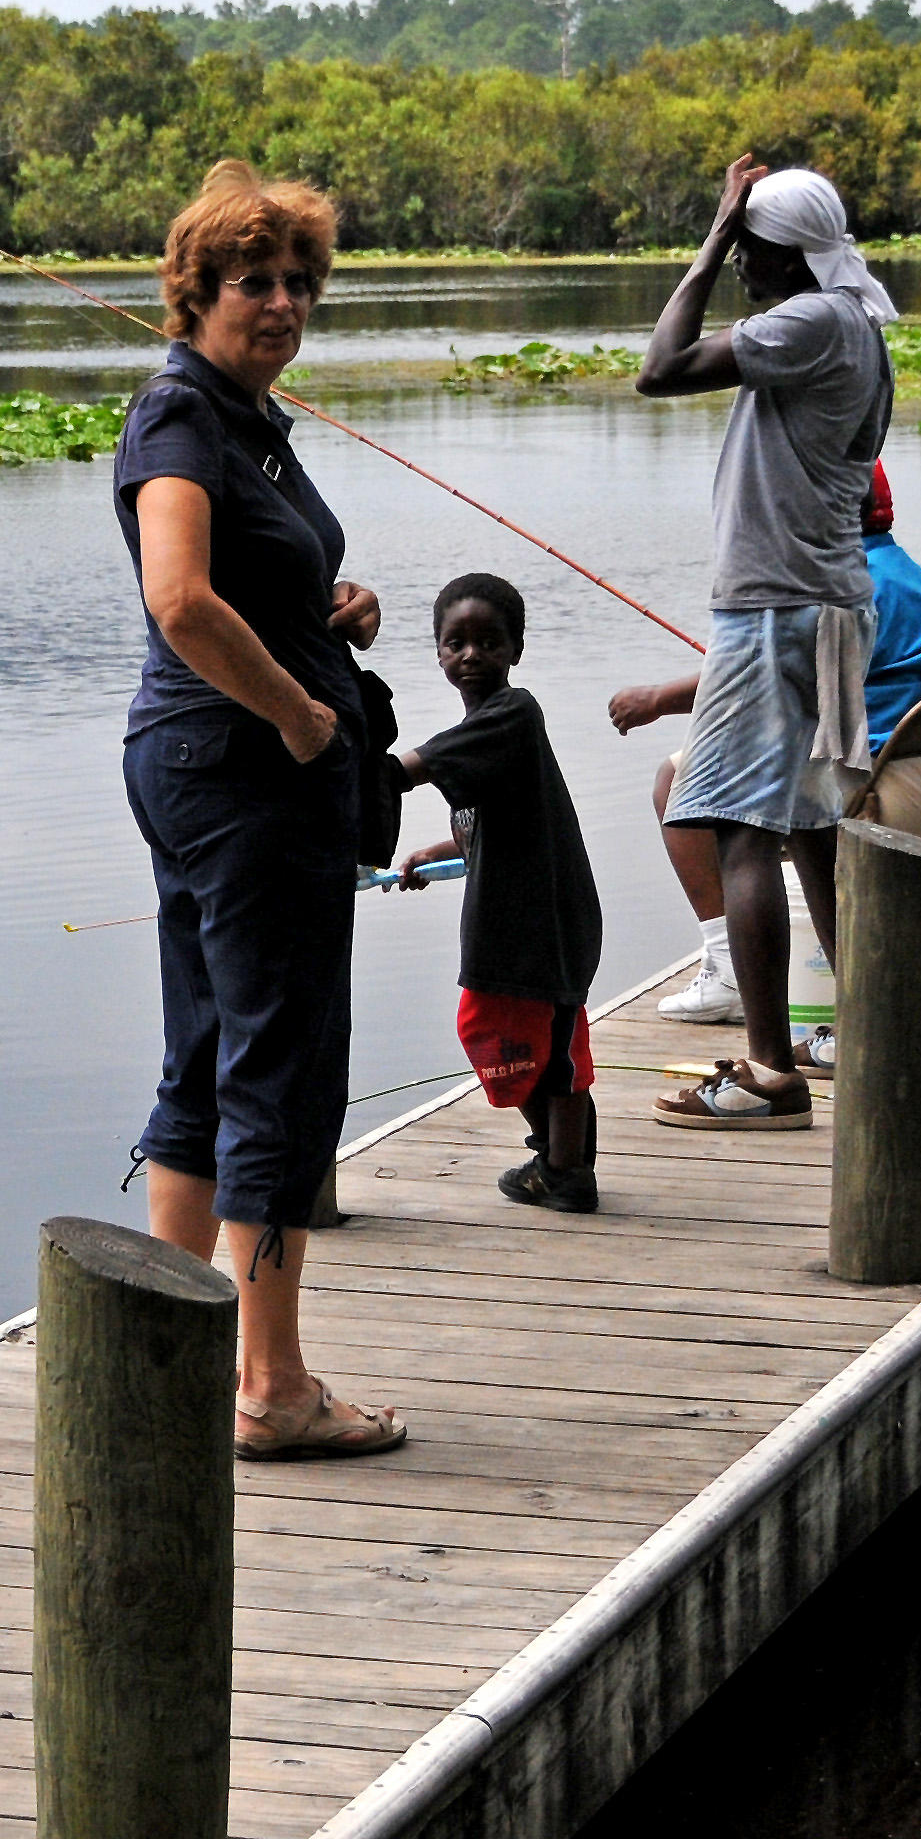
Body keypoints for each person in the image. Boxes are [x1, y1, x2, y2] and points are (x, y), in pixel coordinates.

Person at [117, 159, 406, 1461]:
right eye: (255, 282)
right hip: (243, 778)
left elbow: (243, 577)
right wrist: (300, 713)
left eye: (299, 281)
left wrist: (328, 615)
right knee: (277, 1064)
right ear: (197, 294)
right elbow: (178, 598)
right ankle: (272, 1385)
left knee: (208, 1051)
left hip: (205, 775)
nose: (283, 302)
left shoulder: (246, 417)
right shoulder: (182, 422)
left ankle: (157, 1349)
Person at [627, 156, 897, 1128]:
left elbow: (658, 370)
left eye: (749, 250)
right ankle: (858, 1027)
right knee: (819, 826)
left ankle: (769, 1070)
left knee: (742, 831)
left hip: (775, 608)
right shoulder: (858, 326)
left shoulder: (811, 319)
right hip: (831, 606)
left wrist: (705, 241)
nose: (740, 264)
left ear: (778, 254)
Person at [617, 463, 921, 1026]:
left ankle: (732, 968)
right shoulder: (905, 572)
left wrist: (659, 698)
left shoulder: (841, 588)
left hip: (884, 786)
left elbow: (757, 680)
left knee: (678, 782)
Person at [388, 570, 608, 1213]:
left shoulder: (514, 712)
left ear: (515, 649)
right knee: (501, 1035)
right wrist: (438, 852)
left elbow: (418, 766)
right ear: (437, 651)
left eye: (488, 641)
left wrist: (359, 777)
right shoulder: (485, 730)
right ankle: (558, 1153)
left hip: (549, 919)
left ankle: (567, 1173)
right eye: (455, 642)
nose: (471, 655)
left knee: (558, 1049)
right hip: (506, 921)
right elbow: (493, 815)